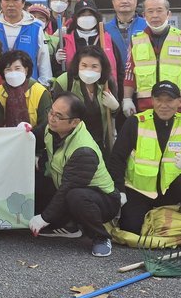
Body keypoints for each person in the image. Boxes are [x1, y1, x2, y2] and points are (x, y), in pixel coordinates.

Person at [108, 81, 181, 238]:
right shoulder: (136, 122)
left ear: (179, 102)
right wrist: (119, 190)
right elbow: (117, 159)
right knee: (131, 229)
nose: (164, 105)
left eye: (169, 100)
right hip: (140, 190)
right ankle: (162, 218)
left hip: (172, 190)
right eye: (159, 100)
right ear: (152, 101)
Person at [31, 93, 120, 256]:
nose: (52, 118)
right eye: (51, 112)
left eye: (59, 116)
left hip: (102, 200)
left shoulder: (84, 150)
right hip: (64, 185)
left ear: (75, 122)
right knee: (36, 181)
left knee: (76, 196)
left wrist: (44, 218)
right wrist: (22, 131)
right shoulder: (51, 127)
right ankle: (70, 226)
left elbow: (68, 188)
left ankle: (100, 237)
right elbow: (32, 137)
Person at [121, 0, 181, 115]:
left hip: (175, 106)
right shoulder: (136, 40)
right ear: (144, 15)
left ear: (168, 14)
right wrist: (127, 99)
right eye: (150, 11)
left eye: (159, 10)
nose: (155, 15)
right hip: (145, 108)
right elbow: (130, 72)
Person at [50, 46, 120, 149]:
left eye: (94, 66)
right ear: (77, 65)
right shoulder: (65, 82)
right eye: (84, 65)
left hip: (100, 143)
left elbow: (113, 115)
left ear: (102, 67)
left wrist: (115, 107)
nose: (89, 70)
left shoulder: (107, 83)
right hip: (71, 144)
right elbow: (54, 114)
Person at [0, 0, 51, 82]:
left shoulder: (35, 28)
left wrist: (45, 83)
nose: (11, 4)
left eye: (15, 0)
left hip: (29, 86)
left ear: (23, 3)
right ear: (1, 3)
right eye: (6, 0)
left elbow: (43, 60)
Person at [56, 0, 122, 96]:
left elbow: (119, 69)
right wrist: (56, 61)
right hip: (74, 94)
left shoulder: (107, 39)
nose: (86, 18)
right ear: (76, 18)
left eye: (90, 15)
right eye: (82, 15)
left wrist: (121, 98)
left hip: (104, 93)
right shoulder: (65, 41)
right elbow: (57, 72)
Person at [0, 50, 52, 129]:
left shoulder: (40, 92)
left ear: (26, 70)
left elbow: (45, 123)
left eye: (17, 68)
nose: (13, 73)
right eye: (8, 69)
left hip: (34, 135)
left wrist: (28, 133)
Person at [103, 0, 148, 80]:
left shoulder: (147, 26)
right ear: (113, 3)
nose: (124, 1)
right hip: (114, 81)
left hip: (143, 80)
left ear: (135, 1)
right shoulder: (104, 29)